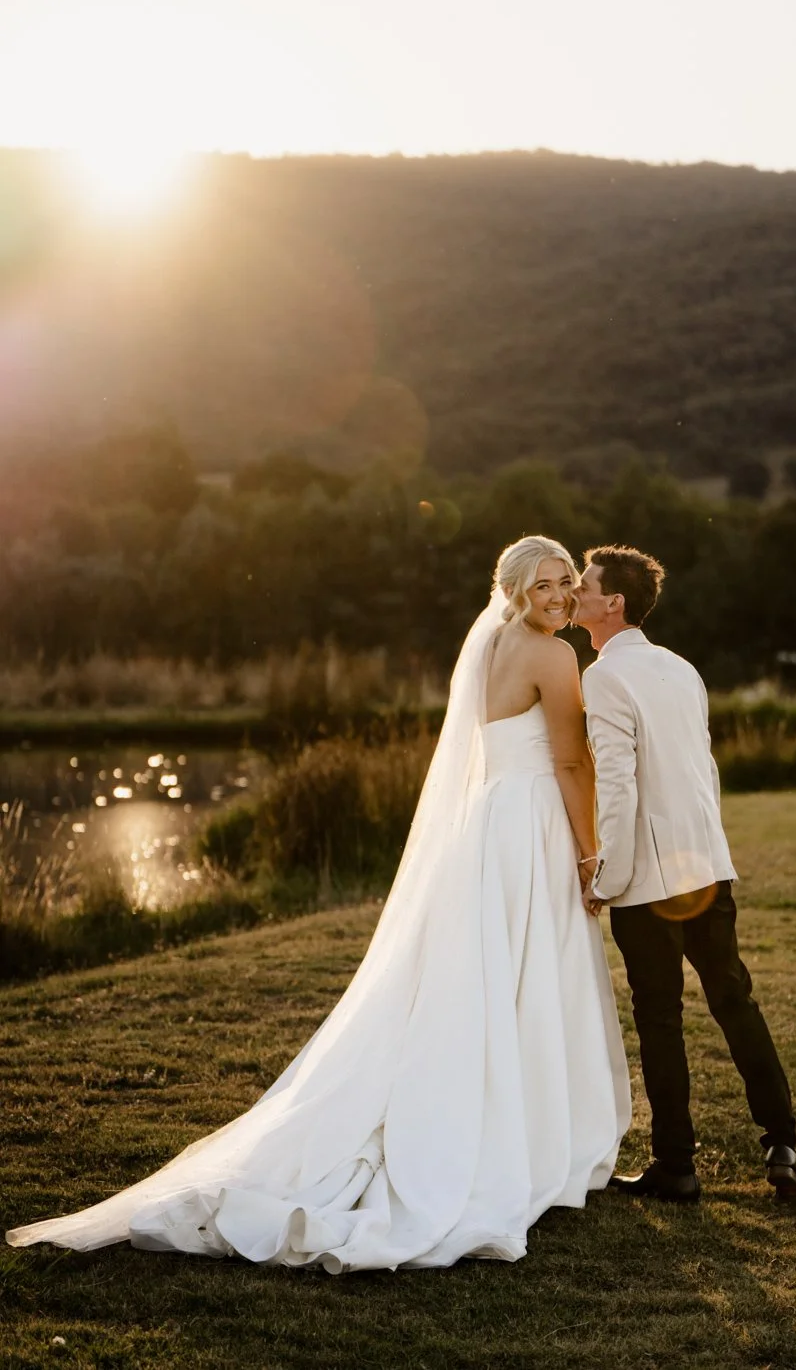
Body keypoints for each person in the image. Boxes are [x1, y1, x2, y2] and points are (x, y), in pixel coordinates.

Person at [6, 536, 630, 1271]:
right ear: (518, 588)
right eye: (546, 584)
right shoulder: (553, 655)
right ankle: (526, 1134)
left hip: (487, 829)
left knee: (483, 980)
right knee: (529, 973)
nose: (559, 595)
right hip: (528, 828)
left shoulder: (490, 643)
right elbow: (567, 759)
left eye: (566, 583)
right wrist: (592, 856)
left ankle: (498, 1115)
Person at [572, 545, 796, 1205]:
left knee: (660, 1018)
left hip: (648, 882)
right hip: (706, 869)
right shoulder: (681, 668)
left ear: (612, 603)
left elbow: (617, 786)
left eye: (584, 585)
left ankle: (675, 1166)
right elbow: (702, 772)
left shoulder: (604, 677)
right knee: (735, 1000)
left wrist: (606, 877)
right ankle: (781, 1142)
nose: (574, 593)